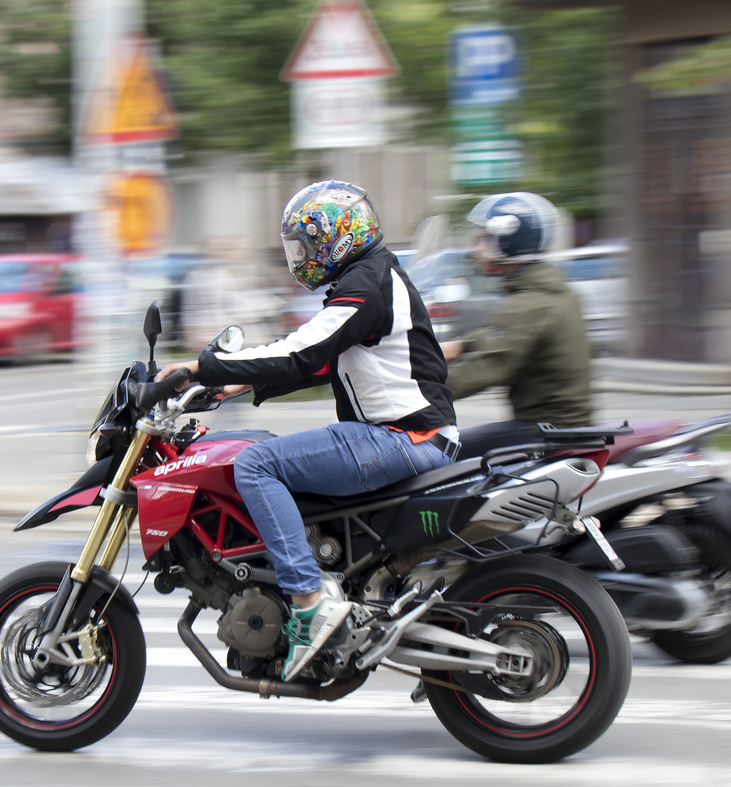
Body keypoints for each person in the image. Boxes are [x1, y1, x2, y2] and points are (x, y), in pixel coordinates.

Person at [155, 181, 458, 681]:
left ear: (338, 235)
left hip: (403, 438)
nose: (303, 256)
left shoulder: (368, 283)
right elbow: (327, 362)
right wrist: (235, 386)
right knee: (269, 451)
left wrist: (202, 367)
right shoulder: (373, 278)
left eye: (308, 243)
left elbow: (304, 350)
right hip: (406, 436)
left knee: (254, 463)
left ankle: (308, 602)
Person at [442, 192, 593, 456]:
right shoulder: (550, 293)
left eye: (483, 239)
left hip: (545, 433)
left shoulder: (530, 304)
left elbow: (487, 368)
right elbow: (502, 336)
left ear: (508, 241)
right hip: (561, 427)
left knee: (439, 452)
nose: (475, 248)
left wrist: (416, 394)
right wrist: (460, 346)